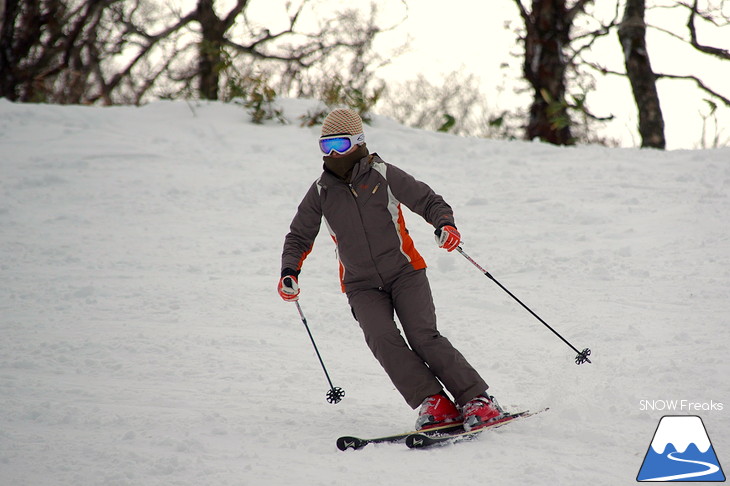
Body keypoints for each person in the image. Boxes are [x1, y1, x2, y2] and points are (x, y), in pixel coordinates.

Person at [278, 108, 507, 432]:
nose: (332, 154)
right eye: (325, 147)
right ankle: (434, 402)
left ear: (358, 142)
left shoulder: (382, 174)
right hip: (361, 285)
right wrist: (290, 271)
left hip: (405, 272)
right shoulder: (321, 192)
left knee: (423, 336)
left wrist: (444, 224)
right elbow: (299, 235)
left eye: (340, 146)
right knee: (381, 338)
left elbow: (428, 200)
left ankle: (477, 399)